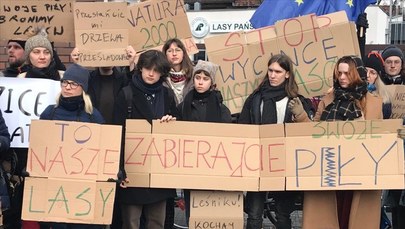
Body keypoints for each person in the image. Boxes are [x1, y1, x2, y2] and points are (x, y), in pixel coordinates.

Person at [303, 55, 383, 229]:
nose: (342, 77)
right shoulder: (328, 99)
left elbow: (380, 139)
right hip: (329, 169)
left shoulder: (373, 103)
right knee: (330, 216)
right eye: (339, 73)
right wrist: (301, 116)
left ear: (357, 74)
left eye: (347, 73)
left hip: (360, 170)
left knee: (354, 217)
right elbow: (313, 132)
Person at [239, 54, 313, 229]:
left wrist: (300, 114)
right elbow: (243, 125)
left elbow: (307, 133)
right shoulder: (256, 98)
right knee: (254, 214)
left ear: (287, 74)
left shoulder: (295, 100)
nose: (273, 75)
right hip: (257, 162)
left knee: (282, 214)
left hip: (284, 164)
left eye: (278, 71)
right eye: (270, 70)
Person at [112, 50, 177, 229]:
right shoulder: (126, 94)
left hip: (159, 169)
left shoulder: (167, 95)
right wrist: (119, 169)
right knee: (131, 222)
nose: (151, 73)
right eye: (148, 68)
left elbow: (179, 132)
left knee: (157, 222)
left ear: (162, 72)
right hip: (132, 168)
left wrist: (172, 122)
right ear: (140, 68)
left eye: (156, 70)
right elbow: (116, 133)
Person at [39, 63, 104, 229]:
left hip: (83, 187)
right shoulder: (49, 113)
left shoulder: (93, 116)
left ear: (83, 88)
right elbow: (39, 147)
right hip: (54, 185)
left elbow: (103, 149)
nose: (67, 87)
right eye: (65, 82)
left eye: (73, 84)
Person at [177, 60, 232, 224]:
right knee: (192, 215)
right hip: (190, 168)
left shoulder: (222, 110)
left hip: (213, 169)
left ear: (212, 82)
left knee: (211, 215)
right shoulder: (183, 106)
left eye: (205, 78)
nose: (200, 82)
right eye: (197, 77)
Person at [162, 38, 194, 105]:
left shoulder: (194, 74)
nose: (174, 54)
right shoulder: (161, 76)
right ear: (165, 54)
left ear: (183, 53)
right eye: (170, 51)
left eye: (178, 50)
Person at [364, 52, 392, 119]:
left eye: (372, 72)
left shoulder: (384, 99)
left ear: (377, 77)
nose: (367, 75)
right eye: (364, 71)